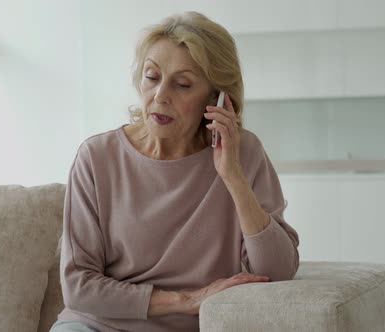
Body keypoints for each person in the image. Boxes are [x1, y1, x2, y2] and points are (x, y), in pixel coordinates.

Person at [50, 11, 299, 332]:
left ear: (216, 99)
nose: (160, 96)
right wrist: (187, 300)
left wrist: (233, 177)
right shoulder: (96, 157)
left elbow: (277, 272)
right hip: (97, 326)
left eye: (182, 84)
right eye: (152, 77)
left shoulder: (243, 153)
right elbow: (78, 285)